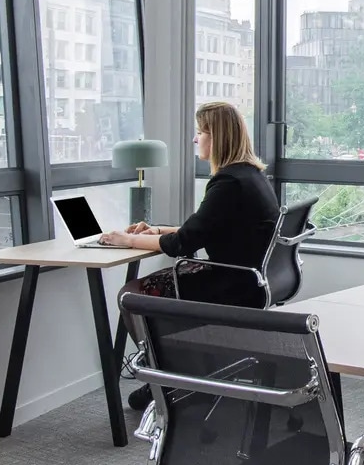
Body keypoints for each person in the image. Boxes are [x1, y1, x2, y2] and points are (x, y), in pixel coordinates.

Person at [109, 101, 280, 409]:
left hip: (229, 282)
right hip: (249, 279)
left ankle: (165, 377)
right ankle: (175, 368)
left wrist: (128, 240)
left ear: (217, 137)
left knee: (130, 295)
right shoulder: (250, 176)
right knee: (149, 294)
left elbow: (181, 246)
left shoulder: (227, 183)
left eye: (200, 132)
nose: (194, 139)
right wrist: (157, 229)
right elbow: (210, 228)